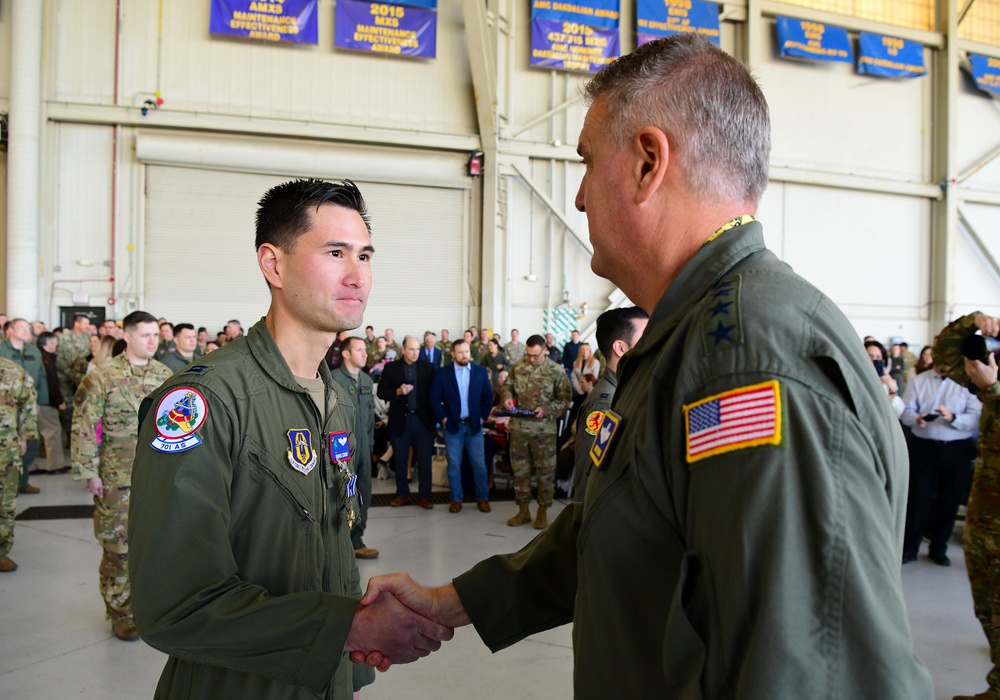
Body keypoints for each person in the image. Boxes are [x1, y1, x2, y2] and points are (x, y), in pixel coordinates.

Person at [355, 36, 932, 698]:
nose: (576, 197)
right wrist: (451, 601)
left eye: (587, 162)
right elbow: (624, 529)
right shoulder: (692, 339)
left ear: (647, 163)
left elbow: (812, 671)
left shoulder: (745, 359)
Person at [129, 179, 452, 698]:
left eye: (365, 256)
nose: (358, 276)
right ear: (273, 264)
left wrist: (351, 661)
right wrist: (346, 628)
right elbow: (173, 606)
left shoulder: (336, 399)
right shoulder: (206, 403)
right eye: (335, 252)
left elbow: (335, 540)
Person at [70, 310, 173, 641]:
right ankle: (120, 612)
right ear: (126, 336)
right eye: (145, 335)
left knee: (155, 543)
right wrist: (88, 472)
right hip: (117, 477)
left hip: (158, 475)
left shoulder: (166, 374)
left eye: (155, 335)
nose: (152, 341)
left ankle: (150, 606)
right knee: (119, 546)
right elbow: (84, 425)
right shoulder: (101, 376)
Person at [932, 312, 1000, 700]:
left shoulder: (993, 387)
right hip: (985, 519)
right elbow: (945, 358)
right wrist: (970, 323)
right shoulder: (993, 373)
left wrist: (991, 392)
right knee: (989, 610)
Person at [899, 359, 981, 566]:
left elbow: (975, 417)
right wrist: (916, 418)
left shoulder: (968, 384)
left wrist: (953, 417)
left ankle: (939, 548)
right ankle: (910, 548)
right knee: (918, 499)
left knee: (949, 500)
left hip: (956, 448)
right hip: (924, 446)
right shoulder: (918, 381)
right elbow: (905, 410)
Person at [572, 307, 648, 502]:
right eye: (645, 337)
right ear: (620, 348)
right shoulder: (604, 404)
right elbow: (588, 471)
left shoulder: (626, 391)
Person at [499, 333, 571, 530]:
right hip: (519, 430)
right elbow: (507, 387)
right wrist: (506, 397)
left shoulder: (556, 371)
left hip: (544, 432)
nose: (531, 359)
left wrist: (547, 409)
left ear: (544, 351)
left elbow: (565, 400)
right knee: (520, 472)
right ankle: (523, 510)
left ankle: (542, 511)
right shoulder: (518, 367)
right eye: (528, 354)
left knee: (545, 473)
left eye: (535, 355)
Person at [429, 338, 494, 513]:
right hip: (452, 426)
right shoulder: (443, 373)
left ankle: (483, 497)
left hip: (474, 425)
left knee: (479, 464)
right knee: (454, 464)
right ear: (453, 354)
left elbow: (488, 398)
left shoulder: (480, 372)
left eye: (467, 352)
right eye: (460, 352)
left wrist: (482, 418)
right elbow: (434, 399)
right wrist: (443, 419)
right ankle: (456, 499)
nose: (465, 355)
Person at [331, 336, 379, 560]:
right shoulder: (333, 379)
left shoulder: (368, 381)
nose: (365, 354)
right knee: (341, 494)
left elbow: (370, 416)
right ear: (346, 354)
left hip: (364, 447)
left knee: (363, 493)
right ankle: (338, 541)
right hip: (341, 450)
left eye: (365, 350)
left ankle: (357, 540)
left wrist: (370, 444)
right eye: (359, 350)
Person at [377, 335, 437, 508]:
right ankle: (402, 493)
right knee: (400, 460)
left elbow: (435, 393)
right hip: (400, 420)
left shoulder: (428, 368)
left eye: (418, 349)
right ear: (403, 350)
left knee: (425, 460)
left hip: (423, 421)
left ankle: (424, 496)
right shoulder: (391, 368)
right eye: (411, 349)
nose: (415, 353)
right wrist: (397, 391)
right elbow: (381, 392)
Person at [0, 356, 38, 572]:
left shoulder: (13, 371)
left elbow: (28, 404)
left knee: (6, 504)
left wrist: (25, 435)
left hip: (7, 450)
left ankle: (1, 551)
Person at [1, 319, 46, 494]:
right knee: (8, 445)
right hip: (7, 406)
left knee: (31, 441)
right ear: (10, 330)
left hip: (29, 404)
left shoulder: (33, 351)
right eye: (21, 328)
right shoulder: (2, 350)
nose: (26, 331)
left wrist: (41, 401)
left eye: (28, 328)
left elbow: (41, 377)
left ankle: (23, 480)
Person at [35, 332, 68, 473]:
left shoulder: (40, 356)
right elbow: (51, 382)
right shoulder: (45, 359)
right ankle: (55, 465)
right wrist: (59, 400)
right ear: (48, 343)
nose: (56, 346)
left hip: (41, 401)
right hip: (47, 402)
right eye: (55, 343)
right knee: (52, 433)